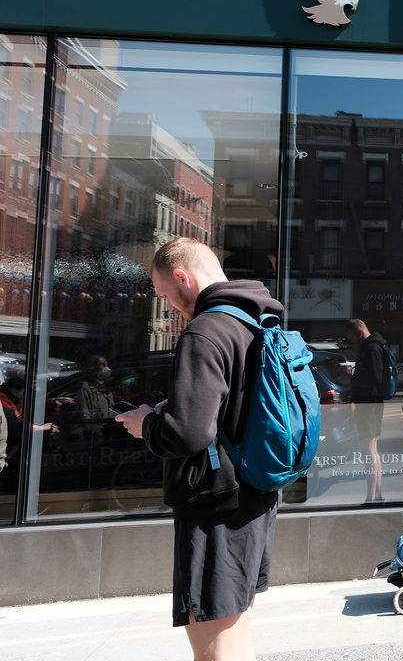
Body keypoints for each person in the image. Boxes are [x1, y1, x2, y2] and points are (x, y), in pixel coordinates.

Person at [115, 237, 283, 661]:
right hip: (254, 495)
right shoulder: (258, 319)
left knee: (213, 649)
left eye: (165, 295)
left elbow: (188, 435)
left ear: (182, 277)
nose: (169, 306)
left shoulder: (206, 330)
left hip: (214, 505)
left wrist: (147, 424)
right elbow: (234, 407)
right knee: (237, 634)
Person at [345, 318, 389, 503]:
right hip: (371, 406)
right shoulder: (375, 346)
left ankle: (371, 496)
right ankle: (375, 494)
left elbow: (374, 378)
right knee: (371, 451)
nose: (352, 342)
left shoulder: (371, 349)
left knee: (368, 451)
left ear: (359, 333)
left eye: (352, 338)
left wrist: (352, 378)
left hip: (369, 406)